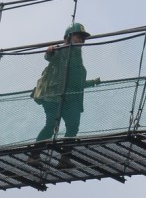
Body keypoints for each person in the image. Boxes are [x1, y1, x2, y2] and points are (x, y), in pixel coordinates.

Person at [29, 22, 101, 169]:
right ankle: (34, 155)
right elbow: (50, 55)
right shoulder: (62, 50)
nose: (81, 40)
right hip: (54, 96)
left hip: (71, 99)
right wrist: (50, 51)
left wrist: (93, 82)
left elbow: (76, 83)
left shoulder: (78, 60)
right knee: (51, 125)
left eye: (82, 38)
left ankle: (64, 159)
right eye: (78, 36)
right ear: (69, 36)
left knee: (73, 127)